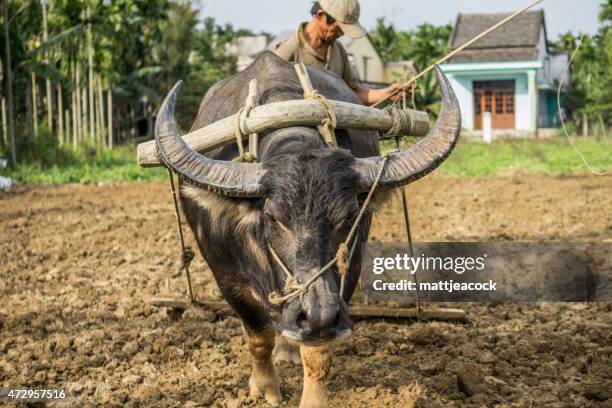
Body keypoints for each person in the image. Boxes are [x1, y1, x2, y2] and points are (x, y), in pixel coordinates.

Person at [272, 0, 411, 106]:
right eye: (339, 28)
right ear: (321, 16)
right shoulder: (287, 51)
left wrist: (387, 93)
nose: (342, 33)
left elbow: (353, 92)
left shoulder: (338, 50)